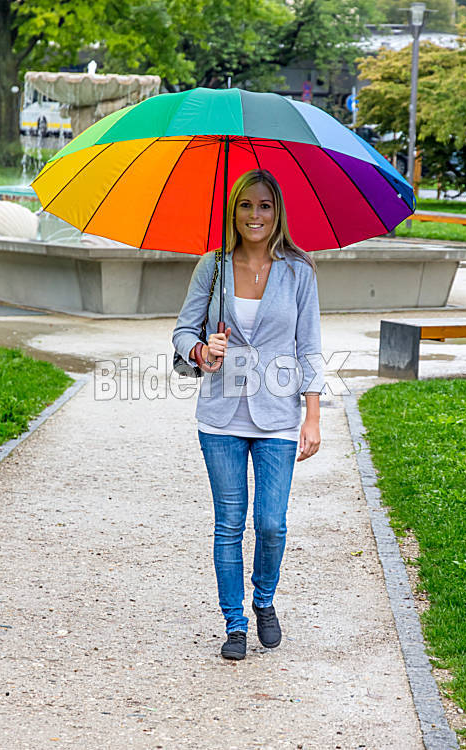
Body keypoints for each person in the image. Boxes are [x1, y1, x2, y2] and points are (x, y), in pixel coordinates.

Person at [172, 169, 324, 661]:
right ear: (232, 212)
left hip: (279, 414)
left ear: (277, 212)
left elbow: (309, 348)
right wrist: (202, 350)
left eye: (264, 206)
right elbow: (181, 333)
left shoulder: (300, 272)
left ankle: (264, 600)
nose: (254, 215)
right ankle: (235, 624)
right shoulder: (211, 267)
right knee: (229, 524)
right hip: (220, 416)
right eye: (245, 205)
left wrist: (313, 416)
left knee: (272, 522)